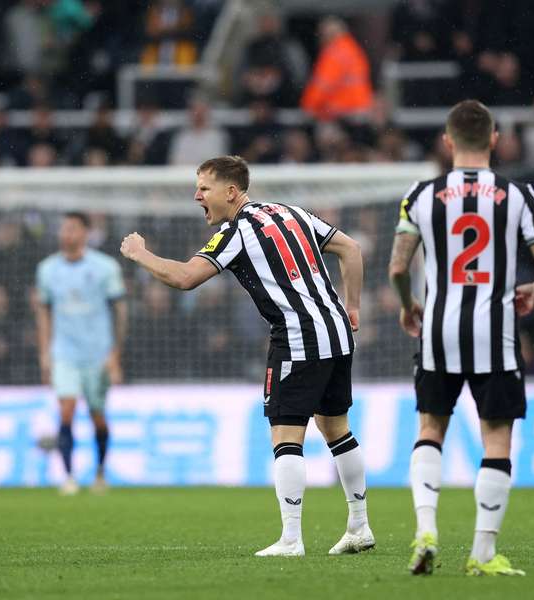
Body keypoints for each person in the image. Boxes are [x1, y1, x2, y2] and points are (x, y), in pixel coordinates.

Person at [120, 155, 373, 557]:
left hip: (297, 338)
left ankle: (291, 539)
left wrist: (139, 254)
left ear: (231, 192)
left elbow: (186, 278)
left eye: (204, 187)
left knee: (286, 435)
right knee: (336, 428)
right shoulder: (292, 213)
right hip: (337, 332)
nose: (196, 194)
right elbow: (351, 248)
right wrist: (353, 305)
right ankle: (359, 526)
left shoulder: (237, 231)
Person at [388, 100, 534, 576]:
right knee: (496, 439)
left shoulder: (421, 194)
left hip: (438, 330)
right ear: (494, 140)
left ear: (447, 141)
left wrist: (407, 304)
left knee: (430, 430)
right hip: (495, 332)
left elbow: (399, 267)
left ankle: (426, 530)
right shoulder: (517, 194)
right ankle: (482, 553)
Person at [34, 213, 127, 495]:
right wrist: (45, 352)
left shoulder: (104, 267)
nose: (66, 234)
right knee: (67, 409)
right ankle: (69, 476)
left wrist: (115, 353)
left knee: (98, 415)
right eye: (63, 229)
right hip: (65, 352)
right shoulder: (47, 269)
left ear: (85, 233)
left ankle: (99, 473)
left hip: (98, 353)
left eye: (72, 229)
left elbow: (120, 310)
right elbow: (43, 312)